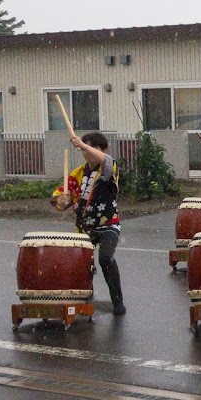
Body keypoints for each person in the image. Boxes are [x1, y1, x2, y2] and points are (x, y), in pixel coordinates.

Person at [51, 131, 125, 316]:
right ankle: (83, 297)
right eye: (84, 150)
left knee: (105, 258)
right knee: (79, 263)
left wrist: (82, 144)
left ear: (103, 149)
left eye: (92, 148)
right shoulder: (77, 174)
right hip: (84, 227)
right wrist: (63, 199)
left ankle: (118, 301)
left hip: (108, 224)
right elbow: (59, 202)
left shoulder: (108, 169)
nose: (87, 153)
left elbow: (106, 160)